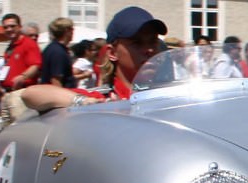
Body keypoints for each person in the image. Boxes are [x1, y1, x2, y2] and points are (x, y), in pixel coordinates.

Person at [21, 6, 167, 111]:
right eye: (137, 43)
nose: (149, 50)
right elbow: (31, 94)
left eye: (153, 41)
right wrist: (84, 102)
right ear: (113, 53)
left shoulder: (169, 92)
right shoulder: (103, 97)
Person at [0, 13, 42, 91]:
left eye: (12, 26)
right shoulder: (10, 47)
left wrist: (23, 77)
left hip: (23, 90)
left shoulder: (29, 43)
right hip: (9, 90)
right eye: (5, 27)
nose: (9, 29)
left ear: (19, 27)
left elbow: (35, 66)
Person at [40, 17, 76, 87]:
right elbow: (56, 80)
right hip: (59, 94)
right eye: (72, 29)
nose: (73, 32)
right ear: (67, 31)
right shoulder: (58, 52)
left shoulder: (52, 48)